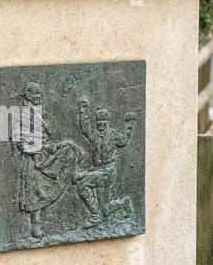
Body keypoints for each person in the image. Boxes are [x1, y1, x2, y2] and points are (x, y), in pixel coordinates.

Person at [11, 81, 83, 238]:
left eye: (40, 94)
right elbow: (17, 138)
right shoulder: (21, 115)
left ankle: (75, 177)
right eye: (35, 94)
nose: (38, 97)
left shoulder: (39, 114)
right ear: (28, 95)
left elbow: (45, 140)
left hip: (43, 153)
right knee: (34, 191)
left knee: (69, 150)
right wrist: (33, 151)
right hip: (31, 159)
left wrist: (53, 148)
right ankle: (35, 224)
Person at [74, 96, 136, 227]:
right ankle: (124, 203)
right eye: (98, 120)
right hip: (97, 170)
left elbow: (124, 140)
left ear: (107, 121)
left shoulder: (112, 134)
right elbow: (85, 129)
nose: (101, 123)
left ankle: (95, 216)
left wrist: (129, 124)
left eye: (103, 120)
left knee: (82, 185)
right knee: (105, 209)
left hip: (108, 172)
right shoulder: (95, 135)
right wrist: (82, 110)